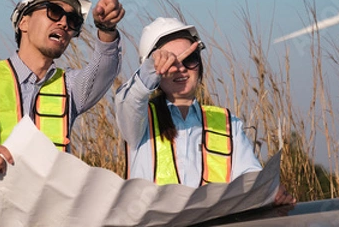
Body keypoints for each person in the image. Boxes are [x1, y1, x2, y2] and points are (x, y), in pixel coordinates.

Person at [0, 0, 124, 225]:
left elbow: (103, 71)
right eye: (54, 11)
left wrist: (106, 29)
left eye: (72, 21)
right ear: (24, 22)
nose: (64, 23)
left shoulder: (69, 87)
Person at [114, 17, 295, 206]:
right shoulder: (139, 121)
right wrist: (148, 72)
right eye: (170, 62)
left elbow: (249, 180)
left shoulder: (227, 123)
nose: (181, 69)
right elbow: (129, 101)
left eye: (189, 59)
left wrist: (268, 191)